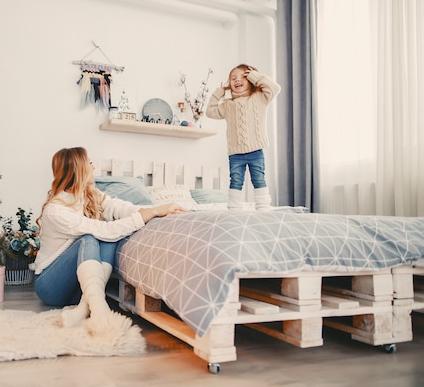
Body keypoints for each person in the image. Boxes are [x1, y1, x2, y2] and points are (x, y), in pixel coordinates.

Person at [33, 147, 187, 334]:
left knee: (110, 238)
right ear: (79, 168)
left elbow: (121, 208)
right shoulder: (56, 210)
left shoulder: (91, 195)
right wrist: (151, 213)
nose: (94, 167)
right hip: (51, 286)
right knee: (91, 237)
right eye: (89, 163)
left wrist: (158, 209)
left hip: (78, 288)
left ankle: (84, 308)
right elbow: (103, 230)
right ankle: (99, 308)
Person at [205, 64, 281, 210]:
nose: (237, 80)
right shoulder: (228, 105)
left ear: (251, 80)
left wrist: (256, 77)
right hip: (235, 153)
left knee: (258, 179)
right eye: (233, 78)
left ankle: (264, 207)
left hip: (256, 150)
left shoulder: (260, 98)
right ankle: (234, 208)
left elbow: (275, 88)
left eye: (243, 77)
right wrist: (218, 94)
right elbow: (210, 111)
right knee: (236, 180)